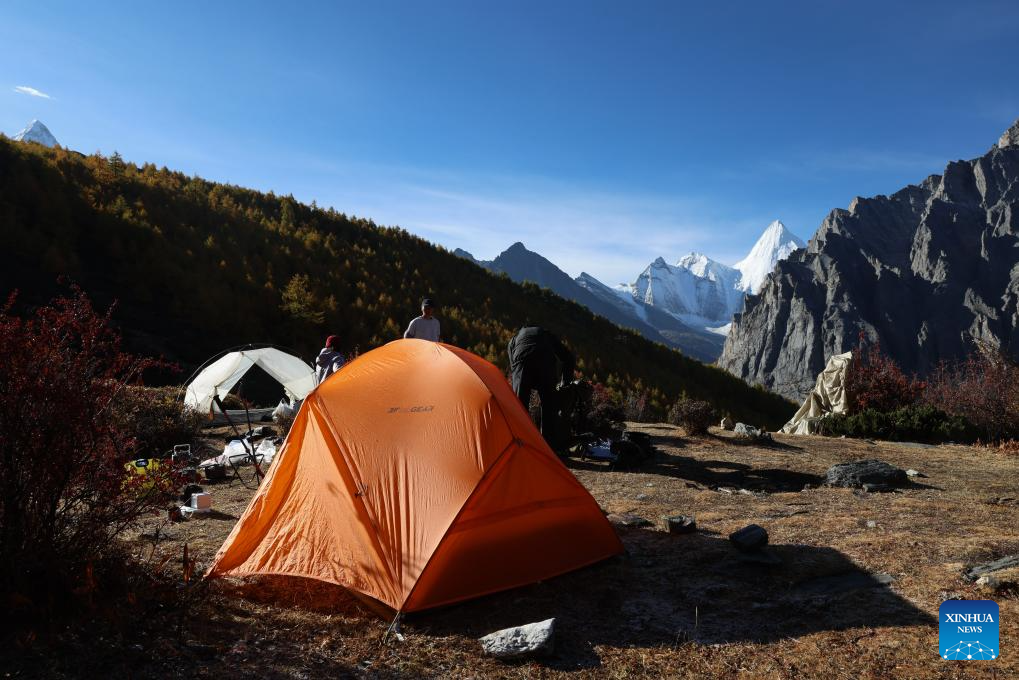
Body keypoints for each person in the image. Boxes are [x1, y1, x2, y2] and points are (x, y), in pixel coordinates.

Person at [508, 326, 575, 449]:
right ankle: (548, 449)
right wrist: (565, 382)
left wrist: (519, 382)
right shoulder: (547, 334)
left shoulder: (515, 339)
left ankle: (519, 445)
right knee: (549, 408)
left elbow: (513, 365)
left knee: (519, 407)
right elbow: (569, 358)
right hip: (545, 363)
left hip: (522, 362)